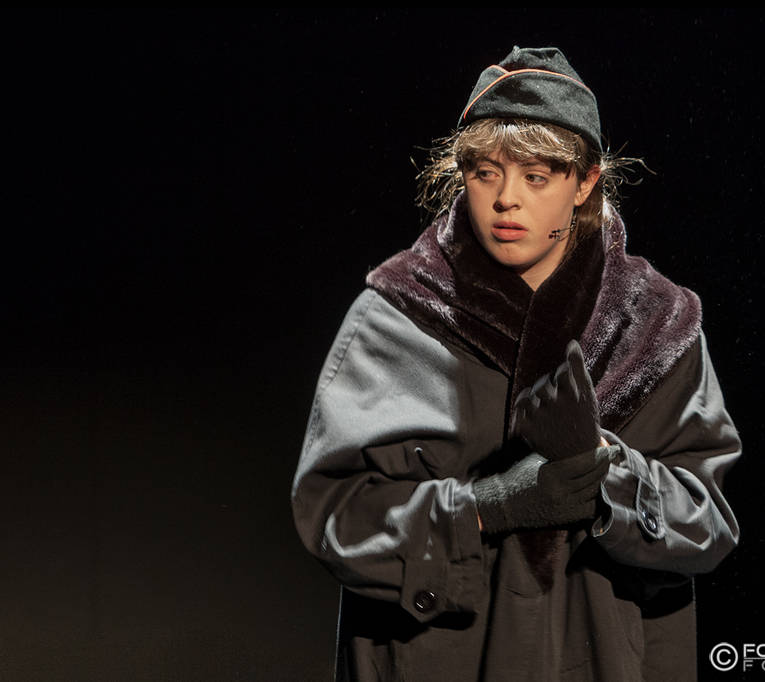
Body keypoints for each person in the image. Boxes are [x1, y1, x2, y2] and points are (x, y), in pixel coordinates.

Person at [292, 46, 741, 681]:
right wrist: (494, 504)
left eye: (536, 176)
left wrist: (602, 471)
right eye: (486, 173)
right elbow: (333, 516)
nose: (507, 200)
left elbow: (707, 525)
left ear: (584, 182)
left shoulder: (656, 325)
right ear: (461, 175)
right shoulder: (396, 318)